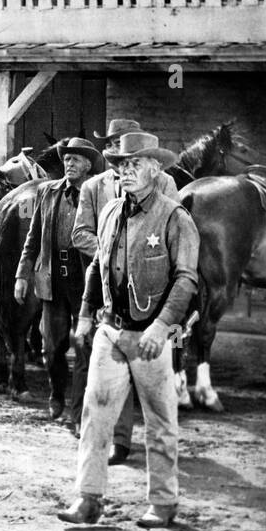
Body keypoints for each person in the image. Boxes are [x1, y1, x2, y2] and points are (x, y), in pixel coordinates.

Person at [59, 131, 199, 530]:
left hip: (152, 339)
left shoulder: (175, 218)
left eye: (135, 164)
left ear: (155, 169)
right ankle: (88, 498)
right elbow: (95, 267)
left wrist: (161, 325)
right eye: (120, 165)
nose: (125, 171)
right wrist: (86, 316)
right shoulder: (108, 214)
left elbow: (187, 280)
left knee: (159, 420)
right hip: (111, 332)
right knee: (95, 415)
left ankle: (163, 502)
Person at [72, 119, 181, 463]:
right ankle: (111, 439)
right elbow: (80, 235)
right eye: (118, 151)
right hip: (107, 289)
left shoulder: (166, 184)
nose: (124, 161)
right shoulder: (94, 188)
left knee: (151, 377)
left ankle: (152, 444)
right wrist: (111, 255)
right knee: (103, 371)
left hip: (153, 296)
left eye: (132, 154)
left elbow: (174, 237)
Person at [12, 137, 103, 432]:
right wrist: (22, 274)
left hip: (86, 283)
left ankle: (79, 410)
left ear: (88, 165)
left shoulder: (97, 195)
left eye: (76, 160)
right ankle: (57, 394)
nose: (69, 164)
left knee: (85, 346)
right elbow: (33, 237)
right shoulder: (47, 192)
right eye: (66, 159)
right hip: (52, 279)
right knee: (52, 347)